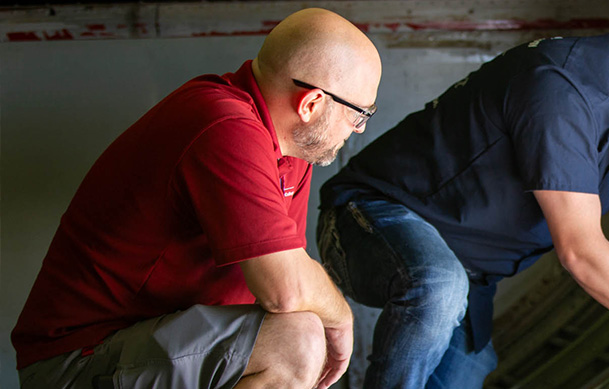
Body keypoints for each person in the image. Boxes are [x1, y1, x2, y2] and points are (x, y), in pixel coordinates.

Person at [318, 13, 609, 388]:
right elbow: (581, 251)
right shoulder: (562, 90)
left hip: (468, 278)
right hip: (368, 220)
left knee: (467, 367)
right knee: (439, 288)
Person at [11, 8, 381, 389]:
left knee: (297, 328)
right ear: (311, 104)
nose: (357, 129)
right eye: (359, 114)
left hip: (163, 345)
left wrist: (321, 311)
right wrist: (342, 318)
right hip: (77, 360)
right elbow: (286, 289)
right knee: (296, 340)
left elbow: (290, 281)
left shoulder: (292, 150)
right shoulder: (223, 126)